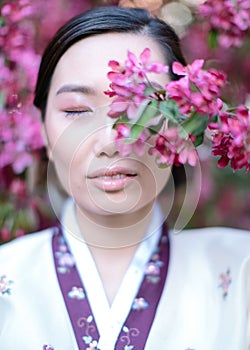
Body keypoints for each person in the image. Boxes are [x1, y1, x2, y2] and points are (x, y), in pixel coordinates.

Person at [0, 6, 249, 350]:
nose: (111, 142)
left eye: (147, 106)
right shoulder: (6, 277)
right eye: (75, 111)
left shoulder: (240, 270)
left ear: (182, 124)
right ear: (43, 131)